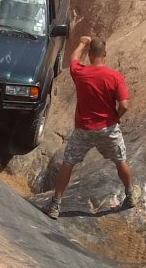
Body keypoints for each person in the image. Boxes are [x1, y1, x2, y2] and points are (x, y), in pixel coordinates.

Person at [45, 35, 139, 219]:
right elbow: (125, 104)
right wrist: (116, 117)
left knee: (69, 162)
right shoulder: (114, 77)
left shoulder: (80, 72)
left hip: (84, 129)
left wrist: (82, 43)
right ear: (104, 54)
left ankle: (55, 204)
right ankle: (130, 195)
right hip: (108, 128)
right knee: (121, 160)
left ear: (90, 55)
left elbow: (73, 59)